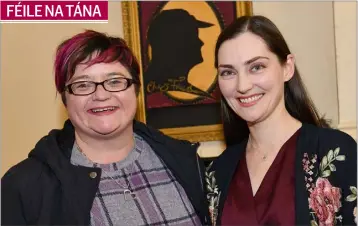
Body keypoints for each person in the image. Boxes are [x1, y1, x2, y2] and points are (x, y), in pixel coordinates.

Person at [1, 30, 210, 226]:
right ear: (66, 99)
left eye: (115, 81)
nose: (100, 95)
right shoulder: (24, 187)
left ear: (135, 90)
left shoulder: (185, 161)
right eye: (83, 85)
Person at [205, 15, 357, 226]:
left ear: (287, 67)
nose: (242, 85)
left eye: (256, 67)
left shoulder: (334, 152)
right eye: (228, 72)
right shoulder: (217, 172)